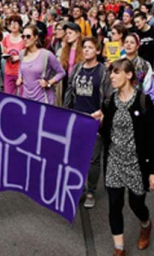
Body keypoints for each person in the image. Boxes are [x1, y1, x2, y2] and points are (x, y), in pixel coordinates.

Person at [99, 59, 154, 256]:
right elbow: (106, 133)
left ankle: (146, 223)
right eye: (111, 73)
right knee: (114, 205)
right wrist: (99, 122)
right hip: (114, 162)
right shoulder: (108, 101)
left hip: (136, 163)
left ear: (129, 75)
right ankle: (119, 249)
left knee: (136, 204)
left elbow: (150, 139)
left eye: (116, 72)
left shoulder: (143, 101)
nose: (112, 76)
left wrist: (153, 172)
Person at [64, 37, 112, 209]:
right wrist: (66, 111)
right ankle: (78, 188)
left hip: (94, 121)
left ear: (98, 51)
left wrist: (102, 115)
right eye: (84, 47)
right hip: (77, 118)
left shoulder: (103, 71)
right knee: (76, 156)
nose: (86, 50)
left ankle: (91, 190)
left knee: (92, 159)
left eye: (90, 48)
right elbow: (70, 90)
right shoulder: (77, 69)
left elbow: (108, 98)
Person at [16, 25, 65, 104]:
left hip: (43, 99)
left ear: (35, 37)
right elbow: (21, 68)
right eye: (23, 36)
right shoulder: (22, 54)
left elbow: (61, 72)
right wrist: (20, 77)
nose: (25, 39)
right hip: (26, 99)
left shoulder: (46, 54)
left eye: (28, 36)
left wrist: (49, 83)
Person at [124, 33, 154, 102]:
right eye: (126, 42)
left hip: (138, 101)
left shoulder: (145, 65)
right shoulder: (118, 63)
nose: (128, 44)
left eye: (132, 43)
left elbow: (149, 87)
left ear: (137, 46)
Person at [2, 14, 25, 95]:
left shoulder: (24, 39)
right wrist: (6, 56)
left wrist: (18, 57)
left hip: (21, 72)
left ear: (20, 25)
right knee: (8, 95)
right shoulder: (6, 38)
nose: (13, 25)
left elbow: (28, 54)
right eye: (11, 23)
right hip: (8, 71)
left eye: (16, 23)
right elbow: (4, 51)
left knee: (22, 97)